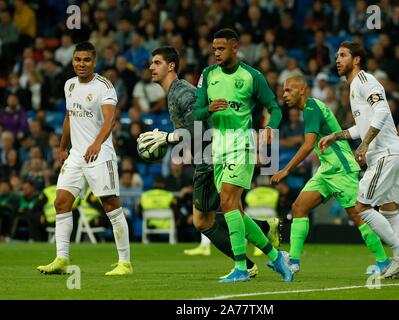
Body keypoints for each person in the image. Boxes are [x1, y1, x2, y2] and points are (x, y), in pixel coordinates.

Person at [137, 46, 280, 278]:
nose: (151, 67)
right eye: (151, 63)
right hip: (212, 155)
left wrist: (168, 137)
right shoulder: (176, 92)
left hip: (212, 157)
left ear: (171, 66)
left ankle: (245, 265)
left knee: (203, 221)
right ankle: (264, 231)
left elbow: (200, 126)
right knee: (229, 210)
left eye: (157, 62)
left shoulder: (181, 92)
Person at [194, 28, 292, 282]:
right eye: (214, 49)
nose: (216, 53)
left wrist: (270, 127)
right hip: (217, 146)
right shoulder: (207, 75)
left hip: (242, 144)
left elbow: (274, 107)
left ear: (235, 47)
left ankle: (241, 268)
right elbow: (195, 112)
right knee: (235, 209)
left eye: (221, 48)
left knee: (227, 202)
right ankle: (276, 257)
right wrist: (208, 109)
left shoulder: (252, 76)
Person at [270, 76, 390, 275]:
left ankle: (383, 261)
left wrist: (286, 170)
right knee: (299, 207)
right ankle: (293, 261)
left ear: (302, 89)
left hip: (341, 169)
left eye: (289, 90)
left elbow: (308, 145)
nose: (284, 95)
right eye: (283, 91)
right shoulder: (309, 110)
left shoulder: (311, 108)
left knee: (358, 215)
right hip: (327, 170)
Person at [319, 41, 399, 279]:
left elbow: (383, 111)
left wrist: (364, 145)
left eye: (343, 55)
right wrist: (337, 135)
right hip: (393, 152)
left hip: (385, 154)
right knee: (390, 211)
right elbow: (363, 126)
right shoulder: (354, 87)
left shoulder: (365, 81)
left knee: (361, 206)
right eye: (337, 56)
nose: (337, 60)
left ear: (357, 59)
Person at [36, 42, 132, 275]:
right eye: (78, 59)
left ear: (94, 61)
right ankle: (62, 259)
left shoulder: (104, 86)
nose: (81, 64)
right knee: (61, 202)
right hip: (77, 155)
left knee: (110, 206)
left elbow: (110, 120)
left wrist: (97, 143)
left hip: (100, 154)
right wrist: (62, 147)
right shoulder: (69, 85)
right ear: (72, 61)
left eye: (86, 60)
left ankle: (125, 263)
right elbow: (70, 117)